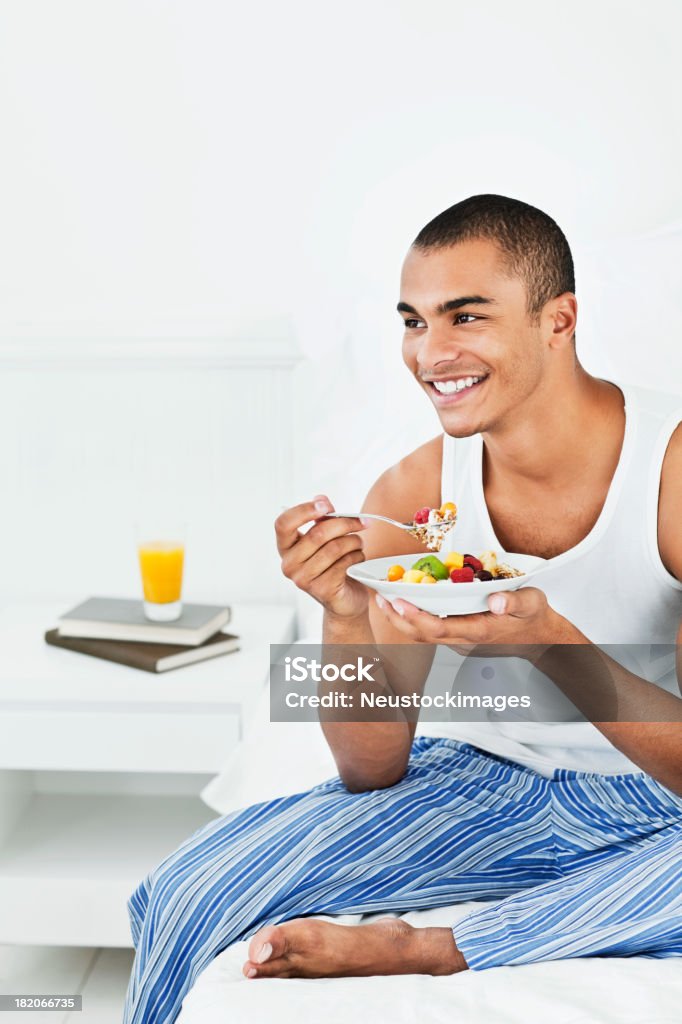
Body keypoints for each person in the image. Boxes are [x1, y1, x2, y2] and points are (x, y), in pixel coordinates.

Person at [123, 195, 682, 1024]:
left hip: (654, 802)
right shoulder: (416, 493)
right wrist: (345, 614)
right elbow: (371, 771)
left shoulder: (666, 479)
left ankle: (430, 949)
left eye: (466, 316)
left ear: (558, 320)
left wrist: (552, 645)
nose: (432, 353)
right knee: (184, 886)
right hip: (481, 788)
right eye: (413, 322)